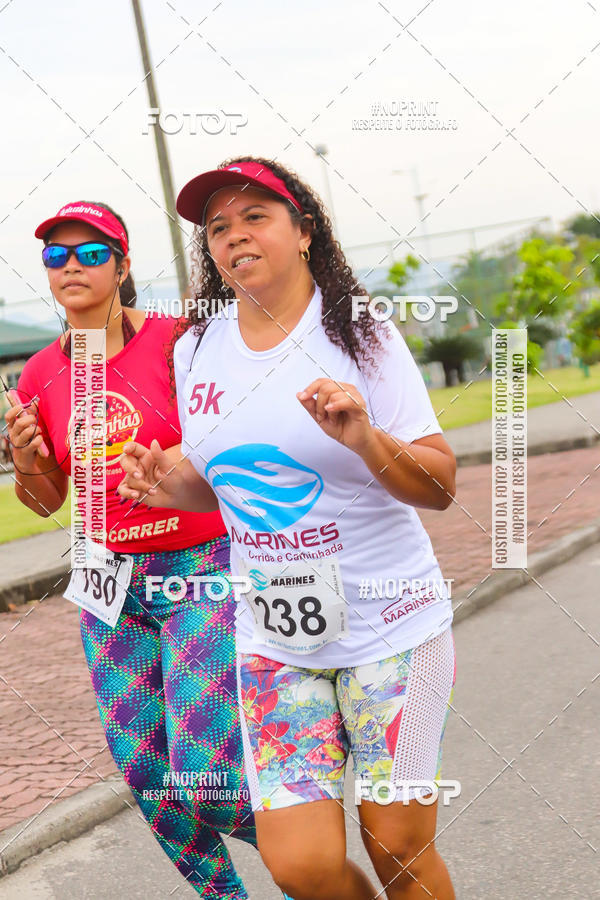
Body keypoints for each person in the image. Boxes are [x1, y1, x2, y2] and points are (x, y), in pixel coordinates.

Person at [118, 157, 457, 900]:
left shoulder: (361, 333)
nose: (234, 235)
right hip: (276, 642)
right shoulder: (197, 348)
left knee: (398, 848)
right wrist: (164, 479)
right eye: (217, 227)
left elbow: (440, 484)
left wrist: (365, 438)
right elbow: (213, 483)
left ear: (304, 231)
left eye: (255, 217)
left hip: (395, 629)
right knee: (301, 866)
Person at [4, 201, 258, 900]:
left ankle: (311, 866)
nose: (73, 266)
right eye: (57, 255)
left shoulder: (180, 342)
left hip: (200, 568)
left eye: (92, 253)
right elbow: (44, 500)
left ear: (121, 267)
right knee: (149, 777)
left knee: (207, 774)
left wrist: (174, 464)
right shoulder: (40, 375)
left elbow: (237, 440)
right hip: (108, 585)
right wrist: (26, 461)